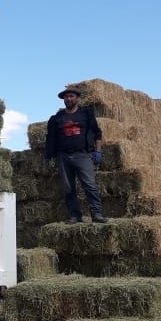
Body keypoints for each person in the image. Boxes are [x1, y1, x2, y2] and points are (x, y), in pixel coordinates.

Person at [44, 88, 107, 224]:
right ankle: (75, 215)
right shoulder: (58, 117)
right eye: (66, 97)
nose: (68, 99)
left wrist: (98, 151)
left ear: (77, 98)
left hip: (83, 155)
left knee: (90, 185)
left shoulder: (86, 114)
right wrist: (50, 155)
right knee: (68, 188)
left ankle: (96, 214)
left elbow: (97, 134)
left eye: (71, 96)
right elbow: (50, 137)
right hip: (64, 156)